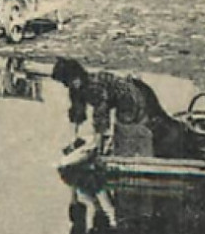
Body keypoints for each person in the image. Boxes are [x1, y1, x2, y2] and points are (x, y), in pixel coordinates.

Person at [49, 58, 185, 159]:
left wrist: (99, 139)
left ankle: (133, 156)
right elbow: (77, 109)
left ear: (77, 77)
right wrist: (75, 133)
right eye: (65, 83)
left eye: (68, 81)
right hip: (121, 97)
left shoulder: (93, 87)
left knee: (126, 127)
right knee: (122, 129)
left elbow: (101, 113)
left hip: (128, 98)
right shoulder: (76, 88)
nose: (67, 85)